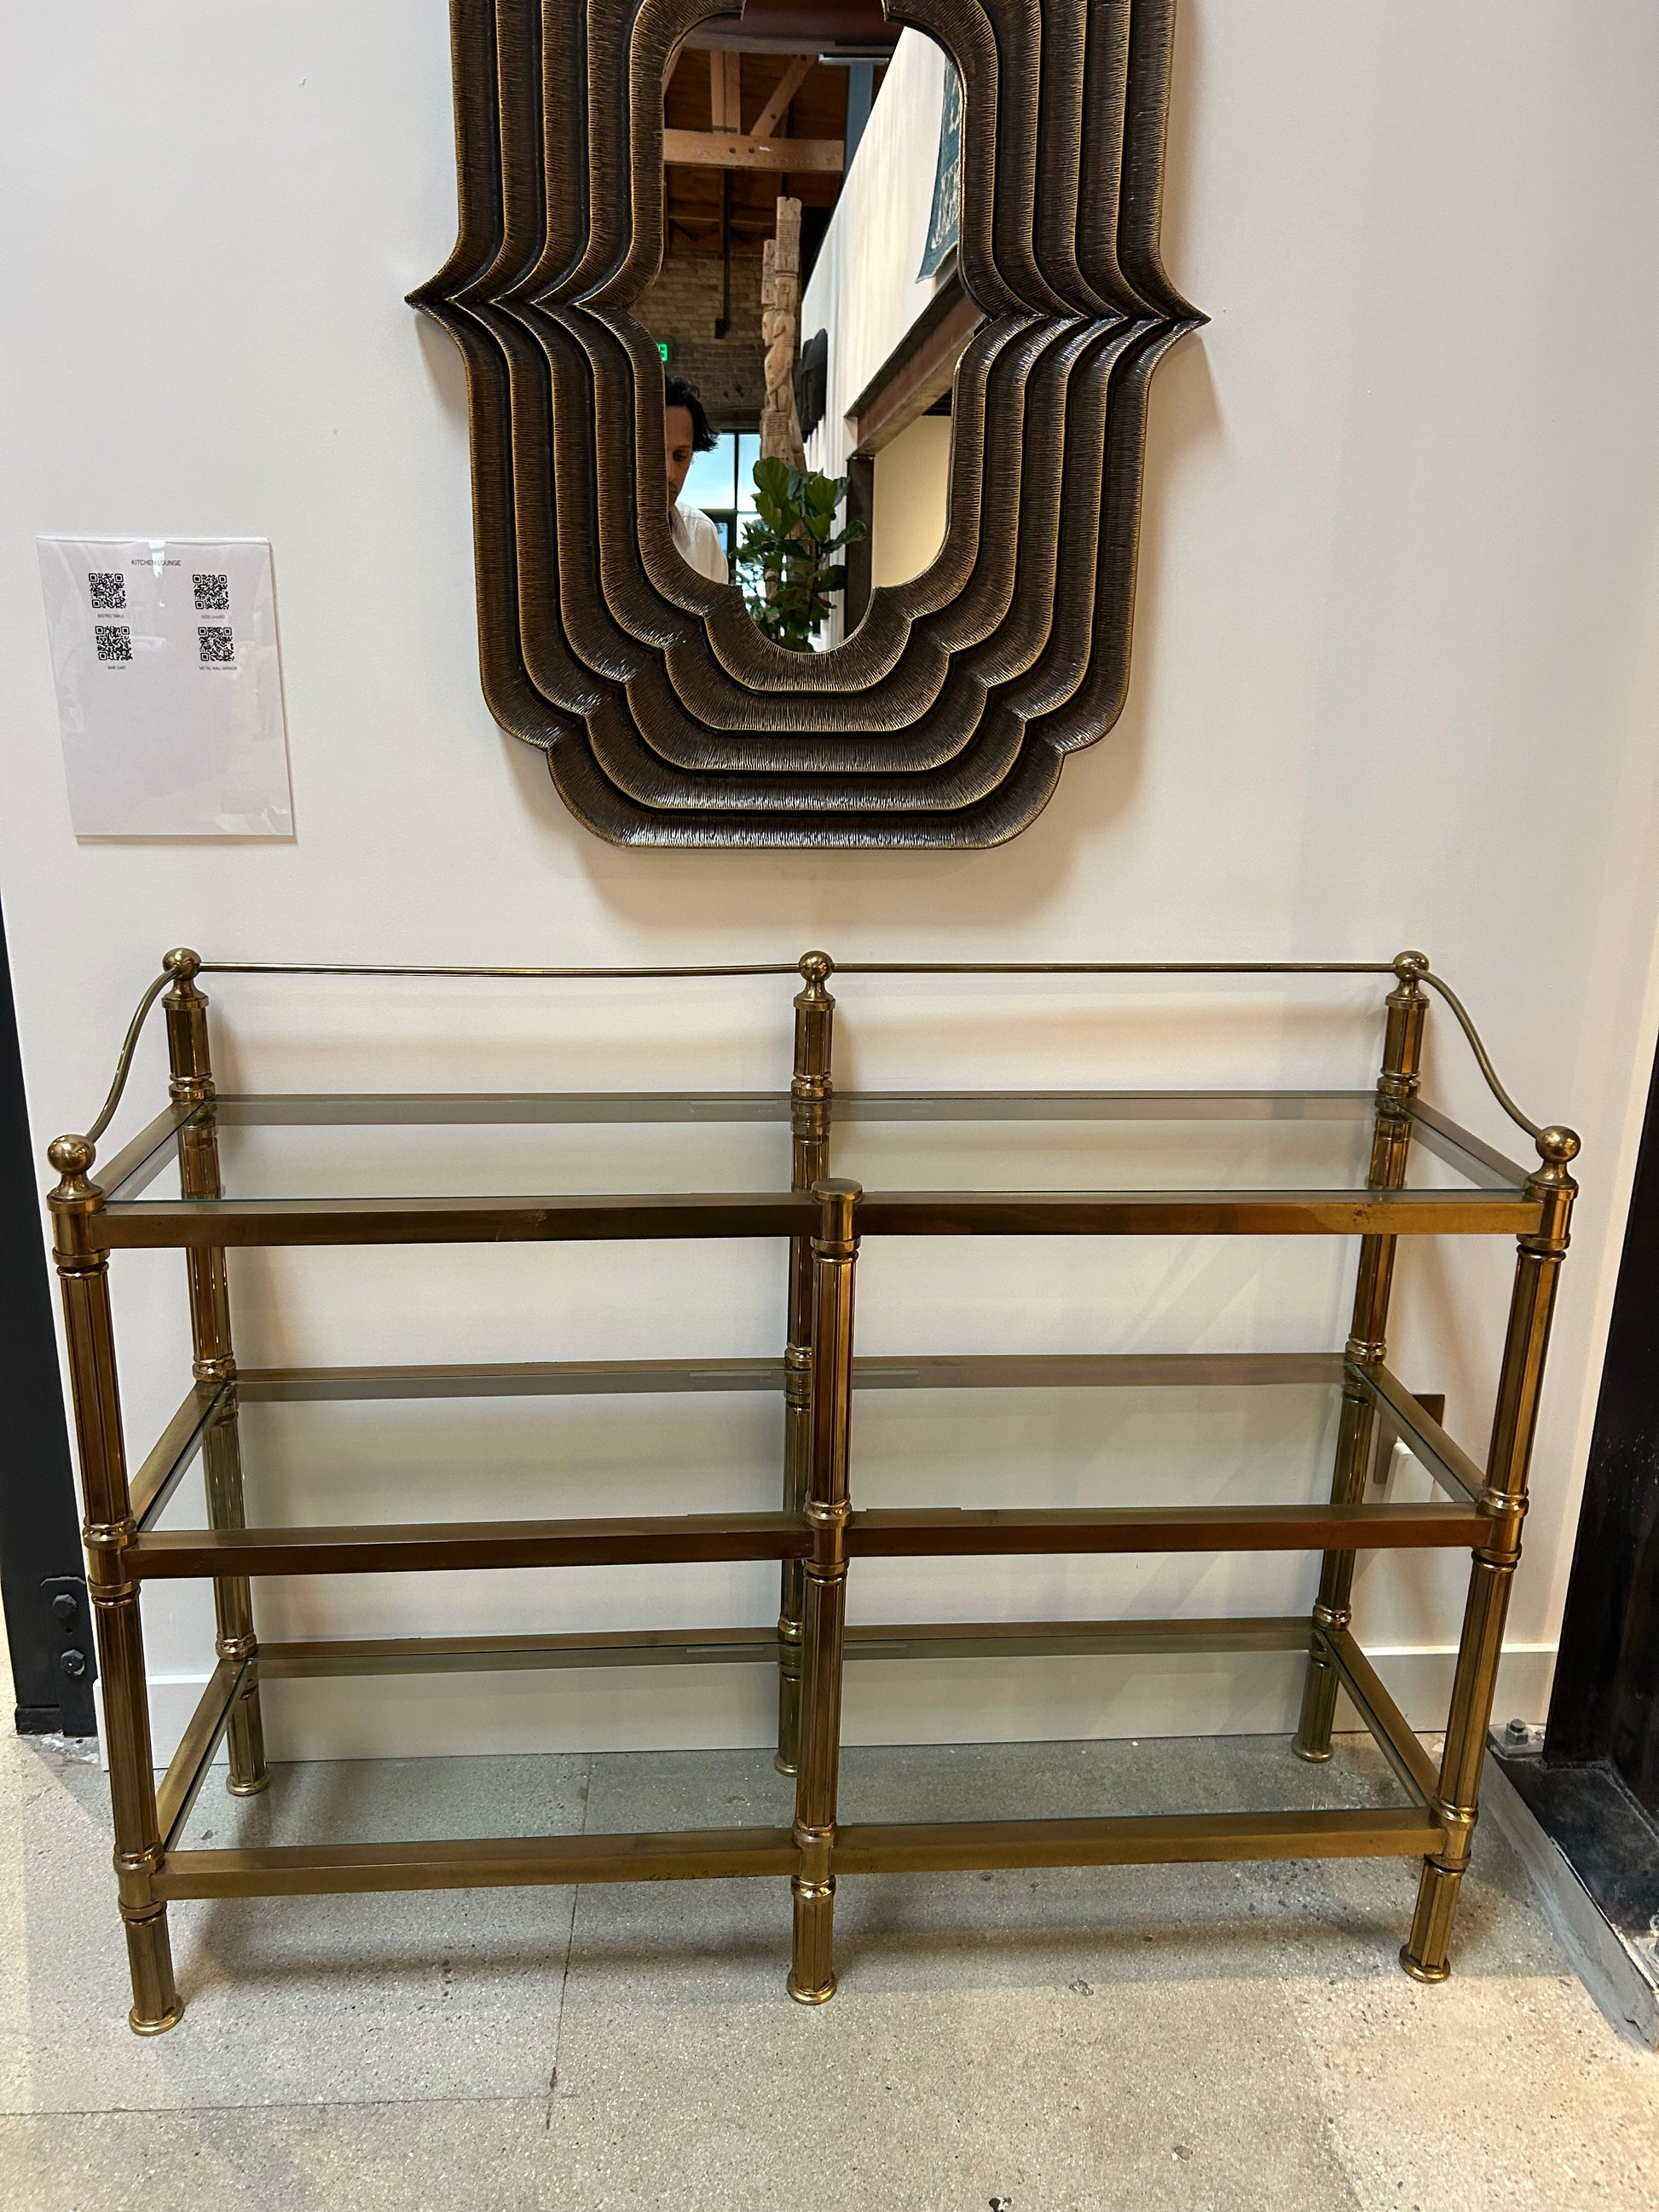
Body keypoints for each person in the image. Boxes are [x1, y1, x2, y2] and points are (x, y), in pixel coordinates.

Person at [663, 374, 729, 582]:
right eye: (653, 454)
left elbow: (718, 614)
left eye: (681, 456)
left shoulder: (702, 533)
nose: (670, 473)